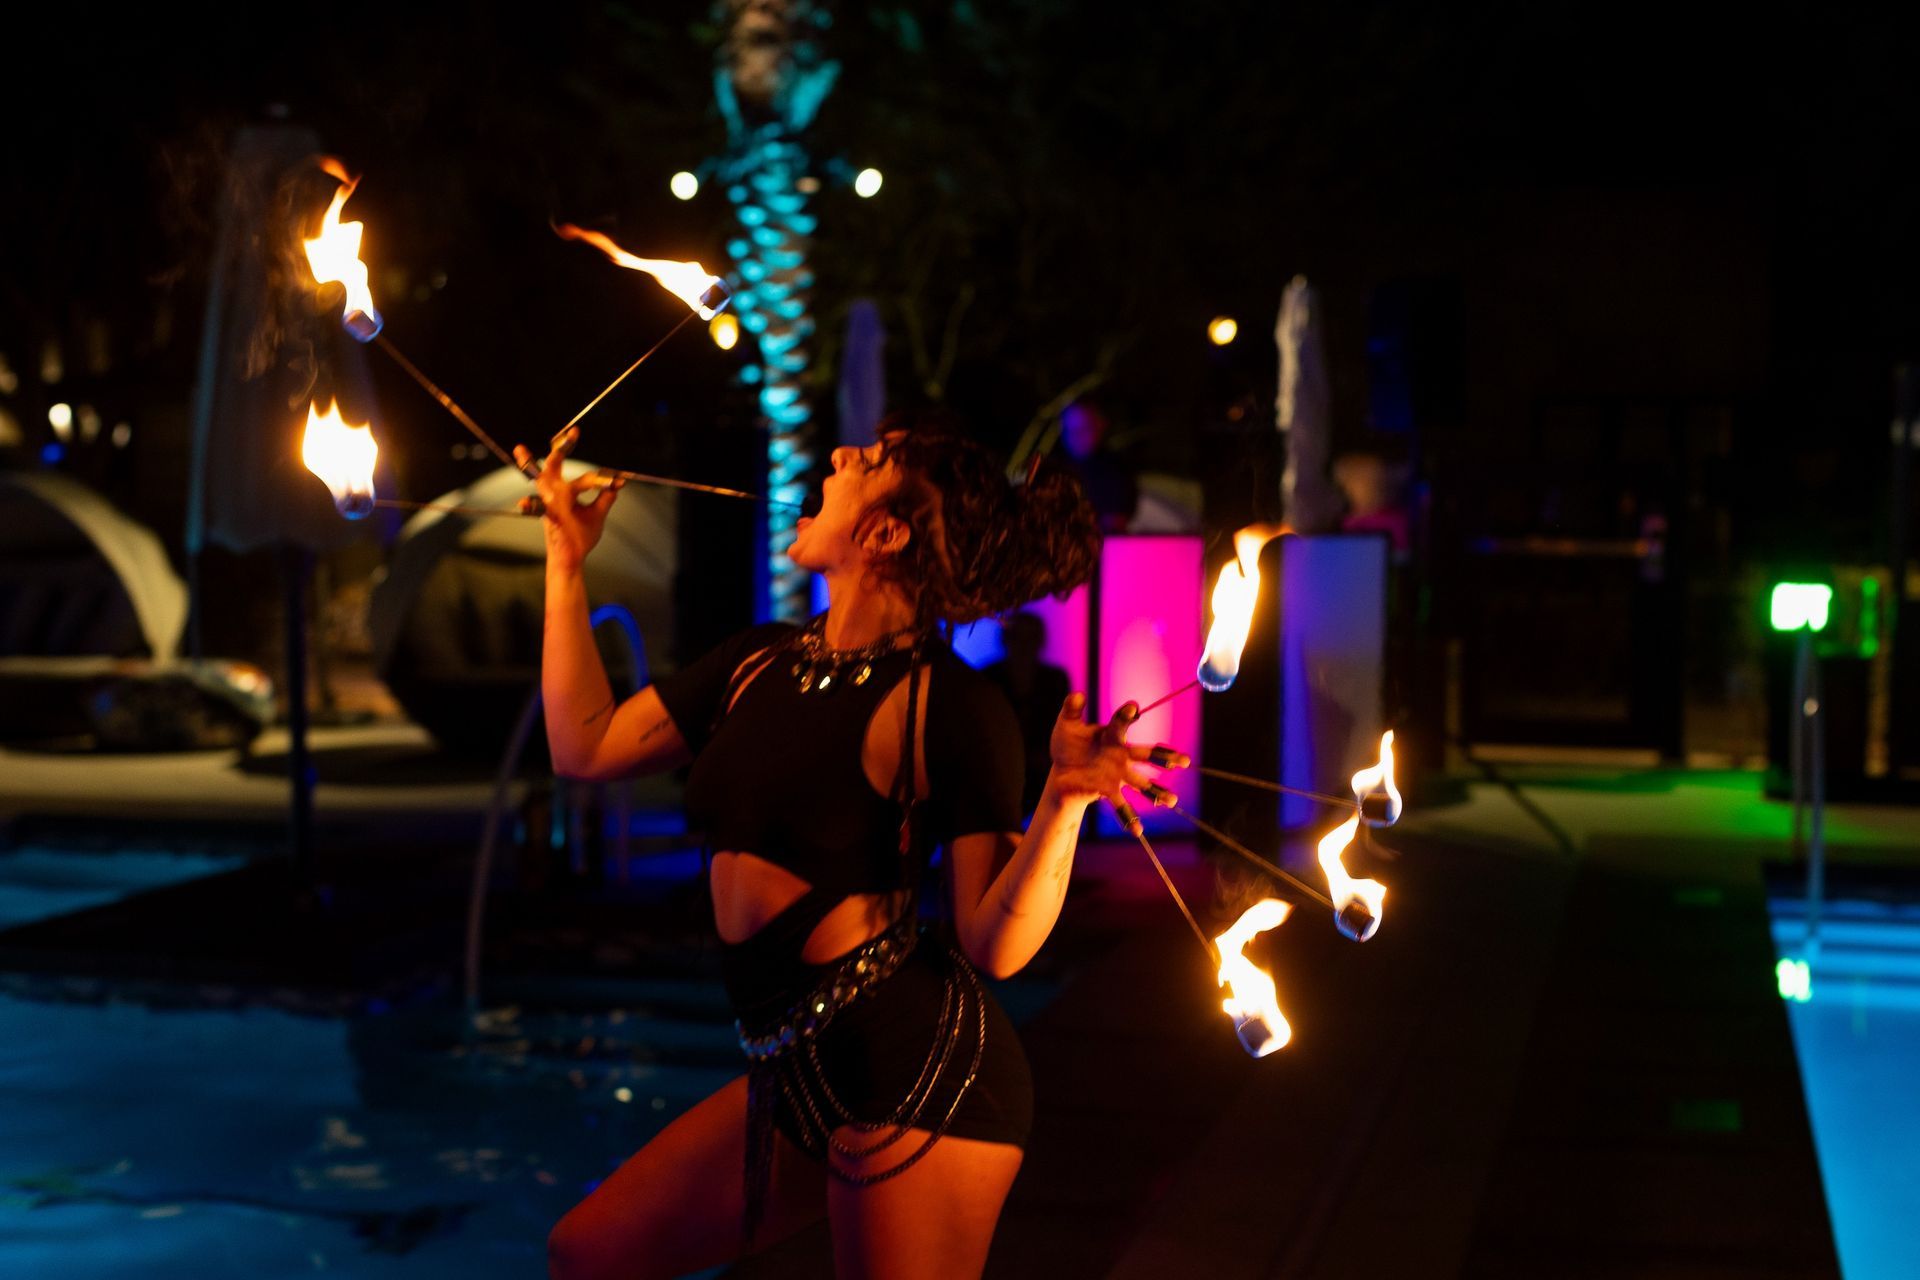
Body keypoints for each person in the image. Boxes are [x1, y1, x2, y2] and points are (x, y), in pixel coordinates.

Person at [525, 412, 1189, 1280]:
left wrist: (1063, 801)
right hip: (792, 1067)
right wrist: (567, 562)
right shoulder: (756, 663)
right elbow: (585, 743)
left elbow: (995, 943)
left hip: (919, 1066)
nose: (839, 455)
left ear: (883, 532)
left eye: (867, 462)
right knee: (590, 1254)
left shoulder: (949, 705)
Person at [983, 611, 1072, 817]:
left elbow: (1064, 728)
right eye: (1018, 637)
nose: (1023, 646)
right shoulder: (989, 678)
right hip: (998, 775)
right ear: (1006, 640)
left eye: (1030, 638)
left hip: (1044, 773)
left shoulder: (1054, 680)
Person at [1055, 399, 1138, 533]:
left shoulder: (1117, 471)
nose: (1076, 436)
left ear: (1100, 426)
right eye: (1070, 430)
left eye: (1084, 428)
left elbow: (1116, 521)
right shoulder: (1049, 470)